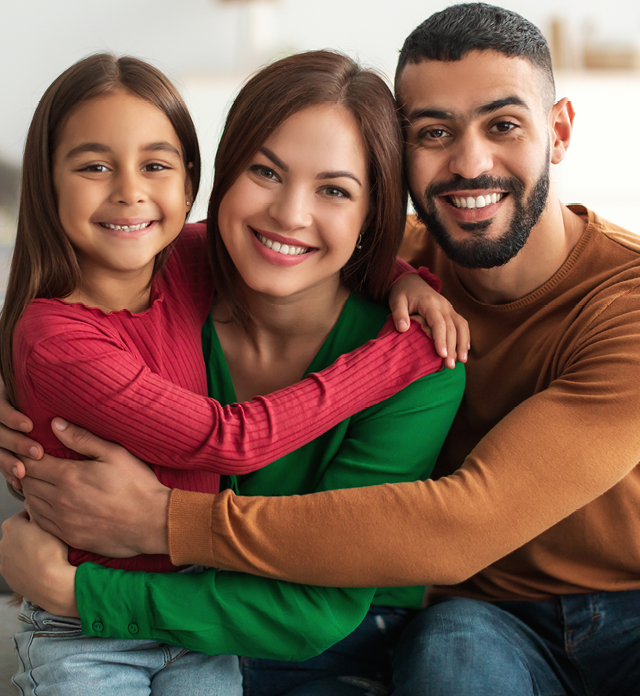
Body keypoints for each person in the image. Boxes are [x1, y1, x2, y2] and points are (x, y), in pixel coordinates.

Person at [0, 49, 466, 695]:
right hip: (121, 638)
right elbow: (81, 319)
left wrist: (73, 589)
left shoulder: (421, 365)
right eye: (266, 172)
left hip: (313, 646)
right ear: (218, 177)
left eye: (334, 189)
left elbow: (316, 612)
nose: (289, 214)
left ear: (372, 215)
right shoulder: (178, 270)